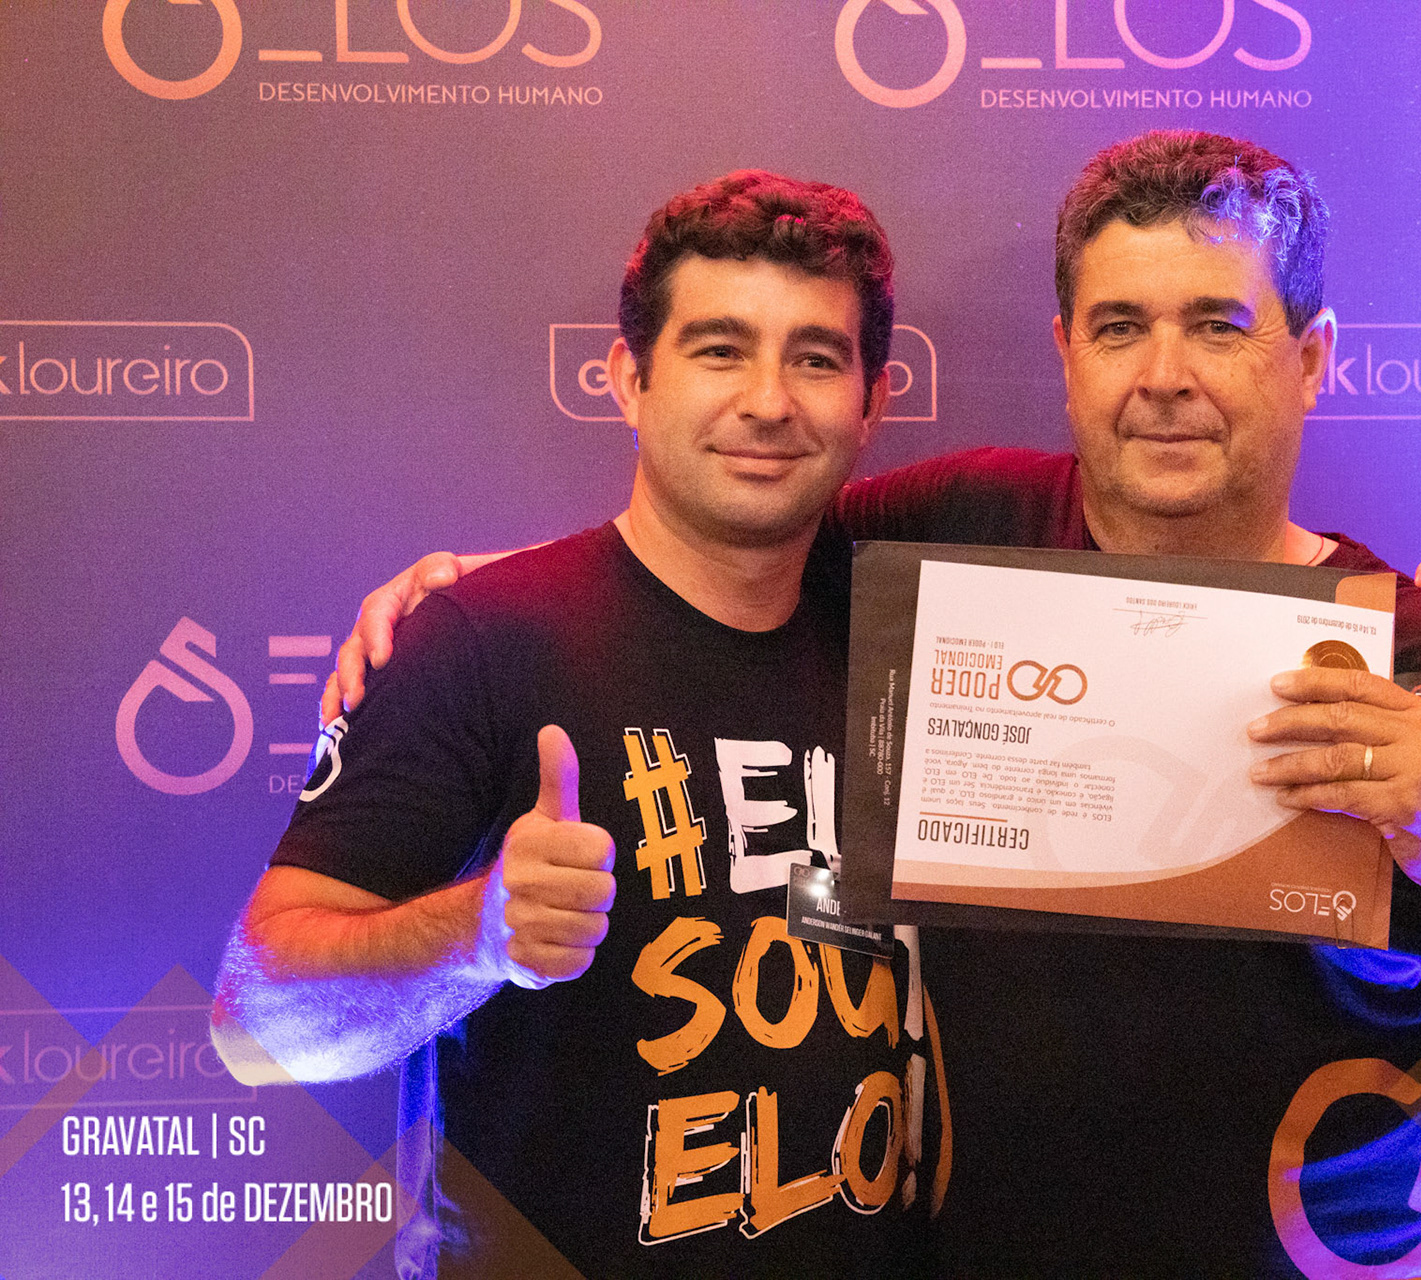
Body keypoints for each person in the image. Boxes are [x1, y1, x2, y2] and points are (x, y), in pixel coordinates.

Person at [319, 133, 1421, 1278]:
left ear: (1312, 356)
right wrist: (473, 592)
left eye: (1219, 325)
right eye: (1120, 325)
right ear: (1066, 352)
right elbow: (718, 530)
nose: (1165, 375)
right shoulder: (950, 541)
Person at [211, 173, 943, 1278]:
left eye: (815, 358)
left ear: (872, 400)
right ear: (629, 381)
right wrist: (477, 937)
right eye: (719, 349)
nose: (768, 400)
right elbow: (256, 1024)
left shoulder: (912, 647)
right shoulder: (481, 643)